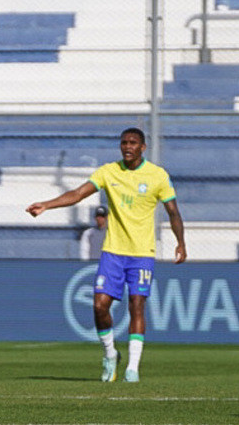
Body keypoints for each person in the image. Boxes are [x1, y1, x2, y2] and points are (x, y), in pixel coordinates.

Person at [26, 127, 186, 383]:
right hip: (113, 252)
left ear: (143, 147)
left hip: (142, 253)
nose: (127, 147)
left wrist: (180, 242)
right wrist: (47, 204)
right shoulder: (109, 171)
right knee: (99, 306)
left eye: (133, 143)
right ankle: (110, 354)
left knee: (137, 305)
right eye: (124, 143)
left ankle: (133, 369)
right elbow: (78, 194)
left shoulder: (157, 176)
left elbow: (173, 212)